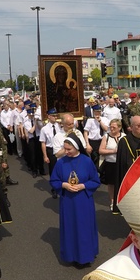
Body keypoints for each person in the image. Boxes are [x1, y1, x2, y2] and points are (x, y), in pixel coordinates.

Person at [49, 133, 100, 267]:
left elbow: (95, 180)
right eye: (65, 149)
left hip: (83, 201)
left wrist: (83, 185)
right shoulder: (61, 163)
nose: (66, 152)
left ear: (76, 147)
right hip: (68, 202)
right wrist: (63, 185)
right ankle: (71, 255)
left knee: (84, 228)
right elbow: (54, 180)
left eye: (69, 149)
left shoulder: (87, 161)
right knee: (70, 228)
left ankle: (85, 255)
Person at [113, 115, 140, 215]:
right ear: (131, 127)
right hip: (134, 183)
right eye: (138, 125)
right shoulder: (125, 141)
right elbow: (126, 165)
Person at [98, 118, 125, 211]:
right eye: (111, 127)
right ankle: (113, 202)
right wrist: (113, 151)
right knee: (111, 184)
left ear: (119, 128)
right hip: (110, 163)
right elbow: (101, 150)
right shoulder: (106, 137)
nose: (111, 129)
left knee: (122, 183)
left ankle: (122, 201)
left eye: (114, 127)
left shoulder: (124, 136)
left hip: (121, 164)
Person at [39, 109, 62, 198]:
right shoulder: (44, 129)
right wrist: (45, 156)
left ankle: (61, 186)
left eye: (56, 115)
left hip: (60, 149)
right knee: (53, 170)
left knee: (61, 169)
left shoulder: (60, 126)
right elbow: (43, 143)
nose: (55, 117)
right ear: (49, 116)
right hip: (51, 150)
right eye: (53, 116)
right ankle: (54, 188)